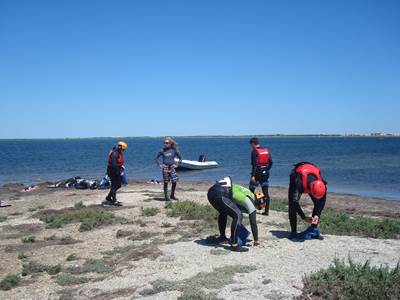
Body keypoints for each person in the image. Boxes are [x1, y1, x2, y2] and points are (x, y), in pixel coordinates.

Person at [207, 176, 264, 252]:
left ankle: (222, 237)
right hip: (221, 193)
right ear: (256, 203)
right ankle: (234, 245)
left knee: (223, 212)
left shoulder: (247, 193)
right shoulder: (250, 202)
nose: (257, 209)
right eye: (259, 207)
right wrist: (256, 240)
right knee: (238, 215)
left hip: (211, 192)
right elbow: (253, 223)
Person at [288, 162, 327, 239]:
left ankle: (313, 228)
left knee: (318, 203)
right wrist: (303, 217)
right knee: (292, 205)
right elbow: (294, 201)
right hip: (297, 173)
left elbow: (322, 201)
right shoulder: (299, 184)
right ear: (310, 190)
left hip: (312, 168)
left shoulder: (322, 185)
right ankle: (293, 232)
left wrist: (317, 215)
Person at [249, 137, 273, 216]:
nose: (251, 146)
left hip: (257, 174)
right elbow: (271, 162)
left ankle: (251, 208)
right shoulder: (266, 151)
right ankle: (266, 212)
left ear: (253, 144)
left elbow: (254, 165)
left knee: (251, 190)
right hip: (265, 174)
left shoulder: (254, 152)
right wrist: (266, 169)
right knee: (266, 193)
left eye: (251, 145)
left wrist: (253, 176)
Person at [155, 137, 182, 201]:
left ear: (170, 143)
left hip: (172, 168)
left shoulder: (174, 150)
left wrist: (176, 165)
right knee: (166, 182)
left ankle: (172, 195)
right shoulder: (162, 150)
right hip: (165, 168)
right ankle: (166, 197)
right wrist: (160, 165)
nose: (165, 144)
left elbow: (180, 158)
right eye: (164, 143)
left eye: (166, 143)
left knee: (174, 182)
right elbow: (156, 159)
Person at [104, 141, 127, 206]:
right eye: (123, 149)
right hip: (113, 171)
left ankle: (108, 197)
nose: (123, 151)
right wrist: (119, 172)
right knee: (114, 186)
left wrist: (121, 169)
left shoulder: (117, 151)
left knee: (118, 185)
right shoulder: (115, 153)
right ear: (121, 148)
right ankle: (114, 201)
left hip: (116, 170)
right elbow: (114, 164)